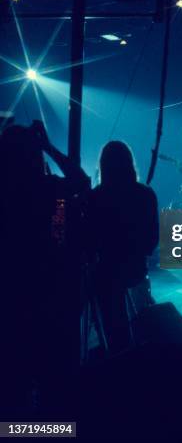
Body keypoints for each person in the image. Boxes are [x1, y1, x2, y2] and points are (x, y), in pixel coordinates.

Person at [0, 120, 90, 416]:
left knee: (13, 385)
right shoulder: (49, 189)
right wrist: (49, 146)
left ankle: (15, 431)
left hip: (11, 294)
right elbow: (82, 180)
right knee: (56, 385)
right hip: (51, 293)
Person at [85, 141, 159, 355]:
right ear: (130, 164)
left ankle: (108, 346)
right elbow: (151, 241)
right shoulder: (146, 194)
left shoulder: (95, 197)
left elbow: (89, 241)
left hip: (106, 271)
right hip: (136, 270)